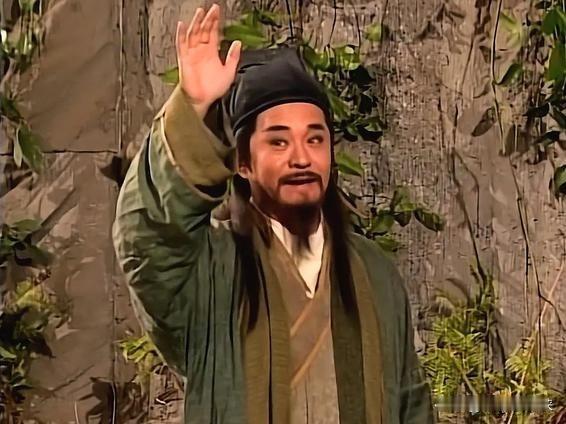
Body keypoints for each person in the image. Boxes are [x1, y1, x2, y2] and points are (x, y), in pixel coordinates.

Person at [112, 3, 435, 423]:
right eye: (278, 142)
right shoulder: (210, 271)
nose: (301, 157)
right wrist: (193, 107)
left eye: (315, 140)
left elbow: (410, 402)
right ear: (243, 164)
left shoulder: (373, 270)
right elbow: (148, 236)